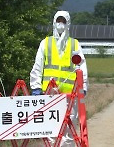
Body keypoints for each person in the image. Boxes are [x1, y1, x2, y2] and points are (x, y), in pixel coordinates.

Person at [30, 10, 88, 146]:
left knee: (69, 129)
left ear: (68, 24)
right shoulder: (45, 43)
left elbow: (82, 67)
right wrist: (36, 87)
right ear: (54, 22)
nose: (60, 24)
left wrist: (83, 86)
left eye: (63, 21)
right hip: (49, 94)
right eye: (58, 21)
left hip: (70, 96)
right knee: (51, 129)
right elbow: (37, 66)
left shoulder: (74, 44)